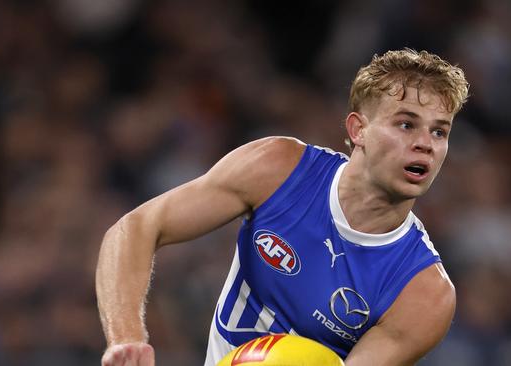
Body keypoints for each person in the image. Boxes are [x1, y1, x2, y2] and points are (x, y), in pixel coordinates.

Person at [96, 48, 469, 366]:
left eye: (440, 131)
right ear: (358, 130)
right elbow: (135, 228)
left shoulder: (423, 294)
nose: (426, 144)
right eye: (406, 124)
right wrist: (126, 339)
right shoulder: (278, 169)